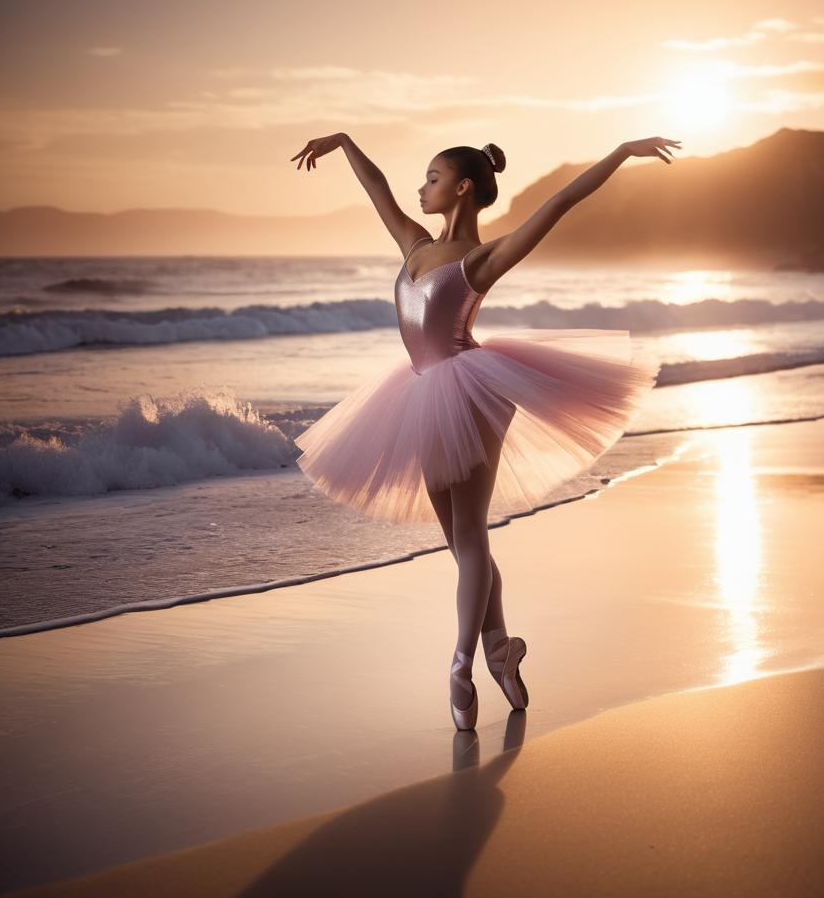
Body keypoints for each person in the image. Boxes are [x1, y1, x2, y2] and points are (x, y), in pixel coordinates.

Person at [288, 133, 679, 730]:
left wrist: (622, 152)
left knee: (470, 537)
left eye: (433, 176)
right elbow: (378, 189)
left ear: (462, 188)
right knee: (462, 543)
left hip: (471, 392)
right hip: (418, 394)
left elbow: (562, 201)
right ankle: (502, 651)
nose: (422, 187)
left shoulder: (481, 259)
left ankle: (460, 666)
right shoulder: (412, 245)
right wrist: (343, 143)